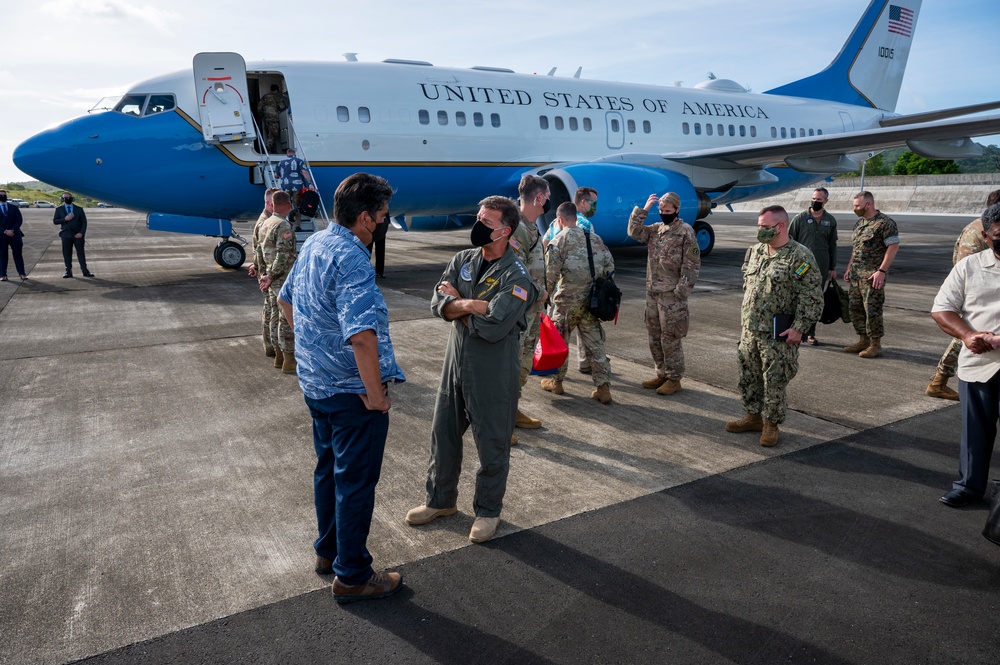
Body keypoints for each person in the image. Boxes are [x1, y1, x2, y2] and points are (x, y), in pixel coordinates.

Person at [277, 172, 405, 603]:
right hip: (352, 394)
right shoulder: (352, 258)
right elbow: (362, 335)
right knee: (355, 483)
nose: (385, 223)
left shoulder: (315, 242)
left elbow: (285, 299)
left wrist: (314, 352)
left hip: (317, 386)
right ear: (366, 218)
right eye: (384, 216)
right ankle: (351, 576)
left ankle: (328, 552)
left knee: (328, 470)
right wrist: (375, 394)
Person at [405, 195, 537, 544]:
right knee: (443, 437)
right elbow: (437, 303)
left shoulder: (518, 277)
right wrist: (470, 305)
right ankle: (440, 501)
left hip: (492, 373)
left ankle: (488, 511)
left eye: (487, 222)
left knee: (492, 445)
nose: (478, 225)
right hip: (455, 366)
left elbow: (494, 326)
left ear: (505, 231)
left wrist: (457, 306)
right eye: (478, 217)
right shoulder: (462, 260)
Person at [726, 206, 823, 447]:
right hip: (750, 329)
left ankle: (771, 424)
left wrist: (799, 327)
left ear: (780, 227)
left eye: (764, 227)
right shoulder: (755, 252)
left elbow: (812, 295)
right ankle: (753, 416)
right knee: (748, 375)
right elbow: (748, 285)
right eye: (758, 226)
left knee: (775, 380)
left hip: (776, 333)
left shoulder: (800, 256)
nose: (760, 231)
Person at [930, 202, 1000, 508]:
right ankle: (969, 487)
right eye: (999, 234)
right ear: (986, 236)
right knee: (974, 433)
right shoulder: (969, 267)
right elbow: (941, 309)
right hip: (979, 363)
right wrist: (967, 335)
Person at [925, 189, 1000, 400]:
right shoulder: (978, 230)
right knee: (968, 338)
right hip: (976, 290)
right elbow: (964, 262)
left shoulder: (979, 226)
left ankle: (940, 379)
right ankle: (940, 378)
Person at [627, 191, 700, 395]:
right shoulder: (656, 229)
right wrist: (645, 209)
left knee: (670, 337)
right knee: (654, 336)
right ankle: (661, 373)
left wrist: (681, 292)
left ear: (677, 210)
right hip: (653, 292)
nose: (663, 213)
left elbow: (692, 264)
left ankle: (674, 377)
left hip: (671, 295)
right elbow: (634, 231)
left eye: (667, 211)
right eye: (660, 210)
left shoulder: (685, 232)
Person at [541, 202, 615, 403]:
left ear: (560, 220)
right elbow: (609, 267)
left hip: (566, 303)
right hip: (591, 303)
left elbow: (550, 275)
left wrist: (544, 298)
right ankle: (603, 388)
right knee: (595, 344)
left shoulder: (558, 240)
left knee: (560, 343)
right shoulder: (595, 239)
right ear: (575, 217)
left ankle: (557, 382)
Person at [510, 175, 549, 432]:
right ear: (538, 197)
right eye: (546, 198)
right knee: (510, 365)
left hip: (534, 311)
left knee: (523, 364)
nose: (548, 203)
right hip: (519, 313)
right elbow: (513, 273)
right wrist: (538, 293)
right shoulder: (518, 228)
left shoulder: (532, 228)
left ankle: (511, 410)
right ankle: (500, 424)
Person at [842, 191, 899, 358]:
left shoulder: (885, 223)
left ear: (868, 205)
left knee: (872, 310)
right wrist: (849, 268)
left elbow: (893, 247)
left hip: (872, 275)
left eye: (857, 206)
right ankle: (863, 340)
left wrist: (881, 271)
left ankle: (875, 344)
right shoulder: (859, 224)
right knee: (855, 309)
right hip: (856, 274)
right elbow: (856, 249)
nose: (855, 209)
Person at [787, 187, 837, 345]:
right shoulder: (800, 218)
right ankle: (794, 330)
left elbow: (832, 246)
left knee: (815, 298)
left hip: (821, 265)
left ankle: (810, 333)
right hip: (802, 265)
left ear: (826, 201)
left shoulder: (830, 220)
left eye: (819, 200)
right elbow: (789, 242)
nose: (815, 202)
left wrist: (832, 268)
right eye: (814, 198)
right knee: (796, 296)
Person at [258, 191, 297, 373]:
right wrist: (272, 275)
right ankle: (289, 360)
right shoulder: (283, 225)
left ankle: (279, 357)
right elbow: (283, 255)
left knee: (274, 316)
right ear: (288, 204)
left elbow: (259, 250)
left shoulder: (266, 223)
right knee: (286, 320)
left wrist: (264, 274)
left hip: (271, 278)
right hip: (282, 279)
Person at [248, 188, 280, 357]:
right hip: (269, 275)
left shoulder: (265, 219)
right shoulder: (265, 222)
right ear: (269, 203)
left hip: (265, 273)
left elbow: (258, 250)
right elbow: (264, 251)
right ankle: (271, 346)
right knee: (271, 310)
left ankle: (270, 345)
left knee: (269, 309)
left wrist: (255, 265)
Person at [53, 192, 93, 278]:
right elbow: (55, 221)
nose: (67, 199)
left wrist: (81, 233)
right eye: (65, 197)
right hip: (66, 235)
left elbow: (84, 222)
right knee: (67, 253)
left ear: (72, 198)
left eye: (69, 197)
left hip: (78, 235)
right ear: (62, 199)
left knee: (81, 253)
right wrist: (65, 219)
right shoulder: (59, 209)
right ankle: (68, 271)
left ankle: (85, 271)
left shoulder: (79, 209)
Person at [277, 148, 314, 227]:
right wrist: (310, 183)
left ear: (287, 155)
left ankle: (288, 217)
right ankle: (297, 224)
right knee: (297, 204)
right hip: (297, 186)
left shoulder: (280, 163)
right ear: (295, 154)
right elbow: (304, 172)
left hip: (285, 186)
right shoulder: (299, 161)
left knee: (286, 202)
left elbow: (276, 175)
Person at [0, 190, 26, 281]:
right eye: (1, 195)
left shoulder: (14, 208)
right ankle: (3, 275)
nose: (3, 196)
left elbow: (19, 220)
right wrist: (4, 231)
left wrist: (12, 230)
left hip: (15, 235)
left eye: (4, 195)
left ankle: (22, 273)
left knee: (18, 255)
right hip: (1, 236)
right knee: (2, 255)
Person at [259, 84, 288, 154]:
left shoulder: (264, 97)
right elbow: (282, 107)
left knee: (270, 134)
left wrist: (261, 116)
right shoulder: (277, 97)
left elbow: (259, 108)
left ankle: (273, 151)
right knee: (273, 134)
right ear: (276, 90)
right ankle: (268, 147)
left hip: (266, 119)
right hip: (274, 118)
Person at [366, 213, 389, 278]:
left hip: (379, 230)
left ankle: (379, 272)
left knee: (379, 252)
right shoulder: (380, 204)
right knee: (368, 252)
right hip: (373, 230)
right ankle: (378, 272)